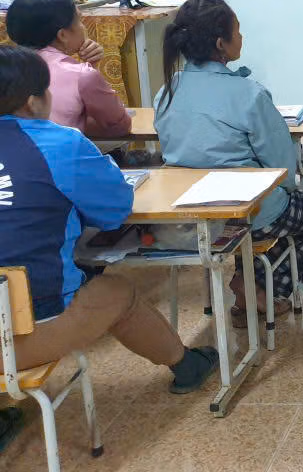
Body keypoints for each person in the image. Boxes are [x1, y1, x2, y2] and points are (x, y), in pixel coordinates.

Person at [0, 46, 217, 394]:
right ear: (32, 102)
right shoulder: (59, 143)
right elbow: (114, 210)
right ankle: (187, 365)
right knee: (118, 292)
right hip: (21, 334)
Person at [153, 0, 303, 324]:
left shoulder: (166, 92)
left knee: (269, 214)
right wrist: (287, 189)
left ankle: (249, 280)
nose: (242, 37)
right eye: (237, 30)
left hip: (189, 220)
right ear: (221, 44)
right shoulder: (249, 94)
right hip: (248, 214)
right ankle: (265, 290)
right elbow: (282, 168)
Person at [3, 0, 131, 137]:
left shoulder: (6, 68)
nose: (84, 27)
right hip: (54, 150)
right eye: (79, 21)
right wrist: (81, 122)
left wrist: (92, 66)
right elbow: (118, 125)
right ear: (62, 35)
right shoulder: (81, 74)